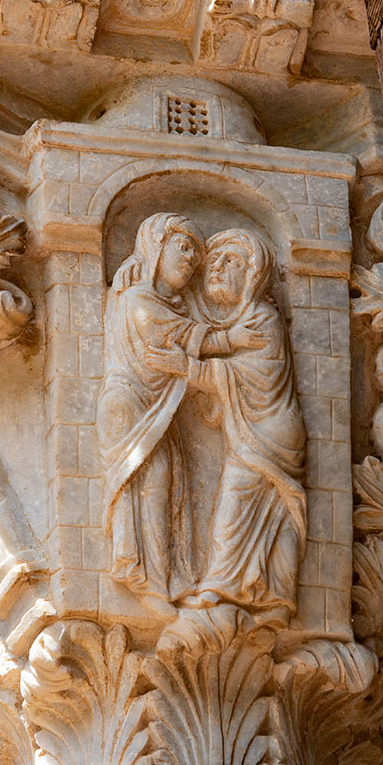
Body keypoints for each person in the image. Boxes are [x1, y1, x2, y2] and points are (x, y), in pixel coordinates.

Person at [97, 214, 264, 608]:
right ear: (156, 247)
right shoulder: (138, 299)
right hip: (129, 406)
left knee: (168, 481)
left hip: (156, 409)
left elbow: (187, 328)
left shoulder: (165, 301)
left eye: (195, 253)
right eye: (183, 247)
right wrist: (231, 338)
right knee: (150, 479)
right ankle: (140, 575)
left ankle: (166, 579)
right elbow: (182, 335)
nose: (191, 259)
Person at [146, 228, 306, 623]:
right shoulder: (242, 323)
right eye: (212, 263)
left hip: (269, 434)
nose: (215, 268)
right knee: (271, 511)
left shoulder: (263, 319)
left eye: (229, 261)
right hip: (255, 431)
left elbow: (255, 377)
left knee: (239, 512)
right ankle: (274, 599)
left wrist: (188, 369)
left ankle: (224, 589)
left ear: (253, 273)